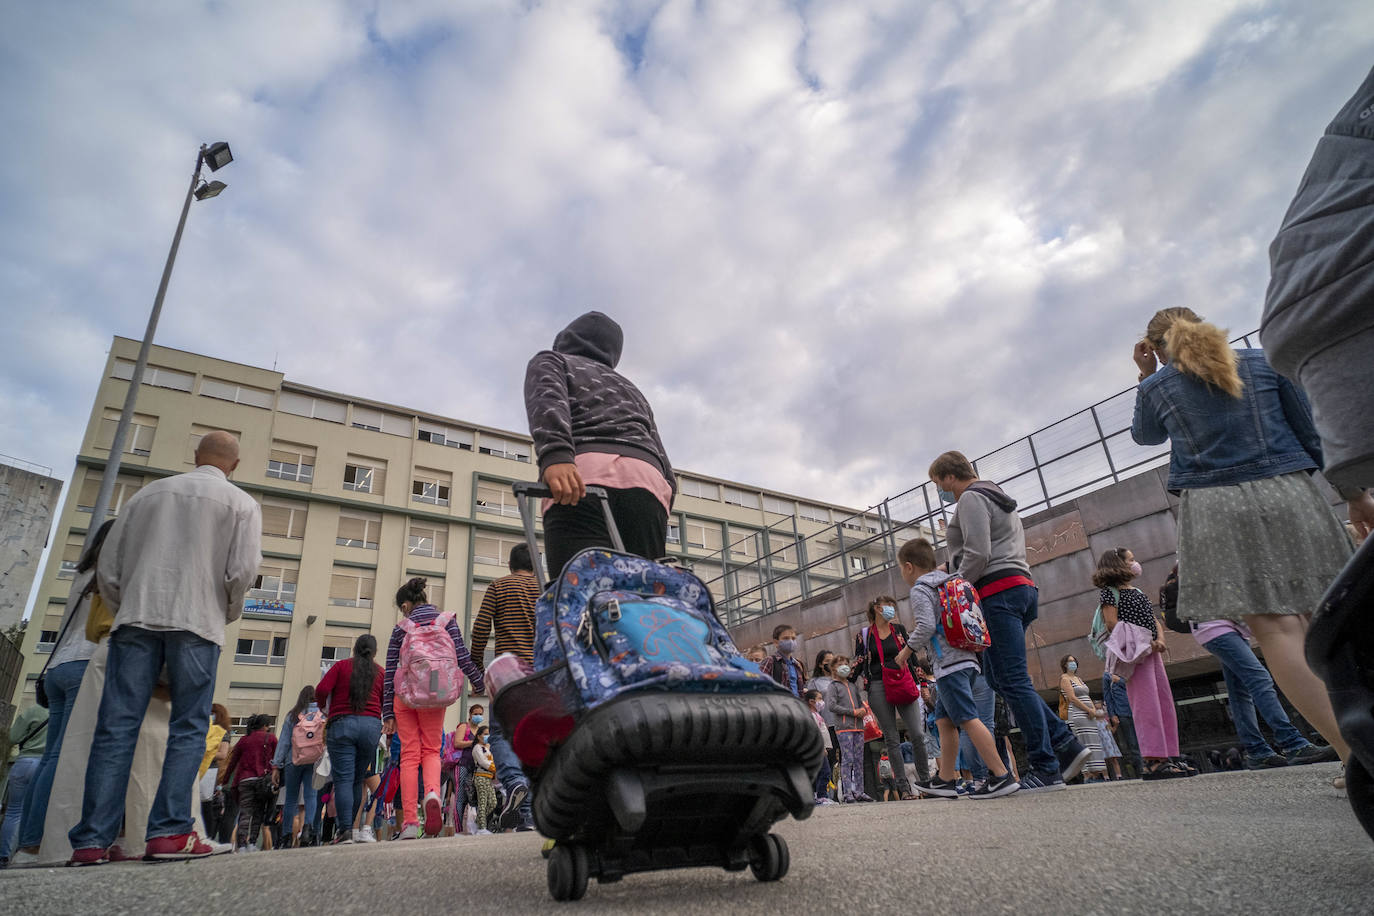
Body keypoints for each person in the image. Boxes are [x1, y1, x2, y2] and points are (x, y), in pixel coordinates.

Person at [1132, 309, 1352, 761]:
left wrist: (1144, 375)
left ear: (1154, 346)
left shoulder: (1157, 386)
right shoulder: (1262, 361)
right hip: (1288, 489)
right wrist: (1354, 492)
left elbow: (1145, 436)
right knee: (1328, 616)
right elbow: (1311, 431)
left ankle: (1355, 756)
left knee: (1276, 628)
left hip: (1215, 507)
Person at [67, 430, 262, 865]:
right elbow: (242, 572)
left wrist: (127, 605)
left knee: (115, 728)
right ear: (234, 464)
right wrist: (223, 612)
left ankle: (92, 840)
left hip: (137, 617)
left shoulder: (147, 495)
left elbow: (111, 567)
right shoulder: (242, 504)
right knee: (189, 727)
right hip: (197, 622)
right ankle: (170, 832)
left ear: (195, 457)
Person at [928, 451, 1090, 792]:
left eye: (937, 483)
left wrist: (954, 589)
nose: (940, 491)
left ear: (947, 477)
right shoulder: (996, 494)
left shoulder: (971, 498)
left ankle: (1047, 767)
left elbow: (979, 553)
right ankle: (1064, 744)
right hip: (1019, 587)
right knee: (1000, 678)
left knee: (1012, 680)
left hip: (996, 591)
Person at [524, 311, 676, 577]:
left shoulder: (552, 360)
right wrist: (665, 496)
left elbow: (548, 402)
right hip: (648, 484)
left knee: (578, 592)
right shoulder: (632, 389)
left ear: (565, 337)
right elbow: (659, 451)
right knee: (643, 593)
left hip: (582, 478)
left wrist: (556, 455)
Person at [8, 519, 114, 865]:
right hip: (85, 663)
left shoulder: (81, 574)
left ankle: (28, 842)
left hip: (56, 668)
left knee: (51, 756)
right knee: (67, 758)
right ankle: (37, 843)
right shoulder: (110, 572)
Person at [898, 539, 1020, 800]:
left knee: (966, 718)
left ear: (908, 567)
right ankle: (945, 779)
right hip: (968, 657)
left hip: (949, 665)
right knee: (944, 720)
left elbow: (926, 626)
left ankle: (1000, 774)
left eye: (900, 568)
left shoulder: (921, 588)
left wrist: (906, 651)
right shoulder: (948, 580)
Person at [383, 577, 485, 840]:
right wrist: (478, 682)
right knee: (431, 750)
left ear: (406, 605)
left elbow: (390, 671)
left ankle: (409, 823)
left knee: (408, 755)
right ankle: (432, 793)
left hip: (405, 696)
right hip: (436, 693)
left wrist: (387, 713)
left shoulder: (400, 628)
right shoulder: (446, 620)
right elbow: (461, 655)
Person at [1192, 616, 1336, 769]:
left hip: (1228, 629)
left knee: (1239, 691)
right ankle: (1293, 744)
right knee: (1259, 679)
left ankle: (1258, 752)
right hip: (1214, 627)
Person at [1094, 548, 1186, 779]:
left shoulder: (1137, 591)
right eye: (1131, 560)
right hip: (1135, 654)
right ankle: (1153, 760)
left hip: (1151, 651)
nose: (1136, 564)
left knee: (1163, 702)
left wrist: (1160, 639)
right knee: (1146, 705)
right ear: (1118, 564)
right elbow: (1111, 623)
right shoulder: (1110, 592)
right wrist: (1146, 641)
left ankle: (1169, 755)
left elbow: (1153, 619)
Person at [470, 545, 538, 832]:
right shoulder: (544, 588)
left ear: (510, 565)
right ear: (533, 565)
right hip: (540, 674)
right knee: (534, 741)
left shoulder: (498, 586)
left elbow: (481, 629)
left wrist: (477, 669)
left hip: (507, 675)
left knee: (500, 734)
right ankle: (528, 817)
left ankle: (514, 782)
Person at [851, 596, 930, 798]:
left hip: (904, 683)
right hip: (878, 686)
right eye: (888, 607)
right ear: (877, 608)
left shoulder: (900, 630)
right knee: (891, 738)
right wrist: (845, 681)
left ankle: (926, 783)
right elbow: (859, 662)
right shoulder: (865, 635)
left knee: (918, 734)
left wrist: (922, 684)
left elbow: (912, 657)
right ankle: (903, 789)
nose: (892, 610)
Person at [316, 633, 384, 845]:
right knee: (357, 779)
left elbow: (322, 689)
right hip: (371, 727)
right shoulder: (380, 672)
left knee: (343, 779)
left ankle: (344, 830)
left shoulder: (341, 666)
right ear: (374, 652)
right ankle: (354, 830)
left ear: (355, 648)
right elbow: (386, 698)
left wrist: (324, 708)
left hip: (342, 724)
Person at [271, 687, 323, 848]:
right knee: (311, 796)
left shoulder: (293, 715)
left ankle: (286, 836)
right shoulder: (322, 714)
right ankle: (308, 830)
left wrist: (276, 766)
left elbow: (284, 742)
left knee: (291, 799)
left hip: (292, 760)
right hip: (314, 759)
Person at [220, 715, 276, 851]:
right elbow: (277, 759)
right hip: (262, 781)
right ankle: (252, 843)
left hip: (244, 780)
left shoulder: (244, 740)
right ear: (265, 726)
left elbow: (233, 761)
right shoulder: (271, 738)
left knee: (245, 813)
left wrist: (225, 779)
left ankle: (242, 845)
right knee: (258, 813)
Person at [2, 704, 48, 863]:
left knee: (14, 811)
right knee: (39, 811)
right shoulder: (67, 710)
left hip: (24, 762)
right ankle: (28, 852)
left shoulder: (33, 710)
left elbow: (13, 737)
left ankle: (4, 855)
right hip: (47, 765)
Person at [824, 656, 871, 803]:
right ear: (833, 668)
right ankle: (847, 793)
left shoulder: (852, 685)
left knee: (859, 760)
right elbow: (831, 706)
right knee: (847, 759)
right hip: (844, 728)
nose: (844, 666)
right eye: (840, 664)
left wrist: (863, 709)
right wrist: (853, 712)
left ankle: (860, 791)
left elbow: (860, 702)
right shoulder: (833, 686)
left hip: (858, 727)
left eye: (846, 664)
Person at [1057, 655, 1107, 782]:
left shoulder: (1078, 678)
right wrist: (1088, 709)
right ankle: (1088, 774)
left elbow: (1086, 695)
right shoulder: (1064, 678)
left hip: (1089, 716)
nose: (1072, 663)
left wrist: (1093, 711)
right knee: (1084, 742)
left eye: (1074, 661)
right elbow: (1072, 698)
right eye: (1069, 661)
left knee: (1094, 743)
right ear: (1064, 664)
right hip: (1078, 715)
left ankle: (1097, 772)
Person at [805, 651, 840, 796]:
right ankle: (823, 793)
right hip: (826, 724)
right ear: (820, 663)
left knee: (842, 761)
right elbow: (811, 703)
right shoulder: (815, 682)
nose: (831, 663)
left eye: (833, 660)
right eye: (827, 661)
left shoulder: (839, 679)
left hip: (843, 724)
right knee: (828, 761)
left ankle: (842, 793)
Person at [1102, 670, 1142, 778]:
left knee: (1145, 740)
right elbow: (1107, 696)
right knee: (1132, 744)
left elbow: (1139, 686)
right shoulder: (1107, 675)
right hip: (1123, 713)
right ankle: (1141, 772)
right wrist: (1112, 714)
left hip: (1140, 710)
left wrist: (1120, 681)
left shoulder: (1130, 667)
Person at [803, 689, 834, 805]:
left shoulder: (816, 715)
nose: (822, 701)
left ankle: (817, 795)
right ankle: (821, 796)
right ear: (811, 701)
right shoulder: (811, 715)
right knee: (825, 772)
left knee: (820, 772)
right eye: (819, 699)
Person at [759, 624, 806, 698]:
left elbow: (800, 690)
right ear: (776, 642)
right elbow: (760, 684)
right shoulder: (770, 661)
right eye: (786, 638)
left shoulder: (797, 664)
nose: (791, 641)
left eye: (793, 638)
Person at [470, 727, 498, 836]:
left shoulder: (486, 748)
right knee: (482, 802)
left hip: (489, 778)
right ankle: (482, 828)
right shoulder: (477, 748)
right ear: (478, 736)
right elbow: (483, 762)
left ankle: (477, 822)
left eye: (488, 734)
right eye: (485, 734)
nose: (487, 736)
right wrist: (494, 768)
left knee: (493, 803)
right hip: (480, 777)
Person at [1095, 701, 1125, 780]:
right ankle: (1106, 777)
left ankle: (1119, 775)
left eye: (1101, 709)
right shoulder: (1094, 723)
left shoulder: (1106, 722)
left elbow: (1111, 731)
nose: (1099, 711)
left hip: (1109, 743)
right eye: (1096, 709)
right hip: (1101, 743)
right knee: (1103, 760)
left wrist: (1116, 725)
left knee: (1114, 759)